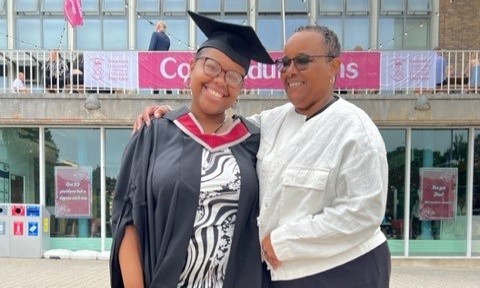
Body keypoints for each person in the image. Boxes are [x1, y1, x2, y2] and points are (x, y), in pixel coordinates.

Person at [135, 24, 391, 287]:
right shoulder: (273, 122)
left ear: (334, 67)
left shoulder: (356, 130)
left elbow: (364, 212)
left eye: (303, 61)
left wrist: (284, 242)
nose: (291, 70)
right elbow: (217, 127)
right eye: (285, 62)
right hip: (279, 275)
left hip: (343, 273)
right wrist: (170, 115)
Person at [110, 11, 274, 288]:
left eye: (234, 76)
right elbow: (127, 221)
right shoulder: (153, 134)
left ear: (241, 88)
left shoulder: (253, 141)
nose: (220, 81)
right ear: (191, 68)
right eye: (211, 66)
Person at [149, 20, 171, 94]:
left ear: (158, 27)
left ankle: (156, 95)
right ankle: (169, 93)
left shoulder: (155, 34)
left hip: (156, 61)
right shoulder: (168, 38)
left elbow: (151, 49)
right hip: (165, 62)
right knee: (166, 79)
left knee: (156, 80)